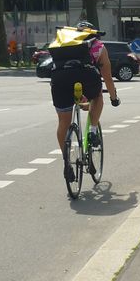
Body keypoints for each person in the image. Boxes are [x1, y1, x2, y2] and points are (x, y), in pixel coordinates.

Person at [50, 21, 120, 181]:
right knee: (98, 97)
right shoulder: (98, 46)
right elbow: (107, 77)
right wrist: (113, 97)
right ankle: (93, 131)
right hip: (86, 77)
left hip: (60, 80)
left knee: (63, 122)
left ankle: (67, 161)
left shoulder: (63, 43)